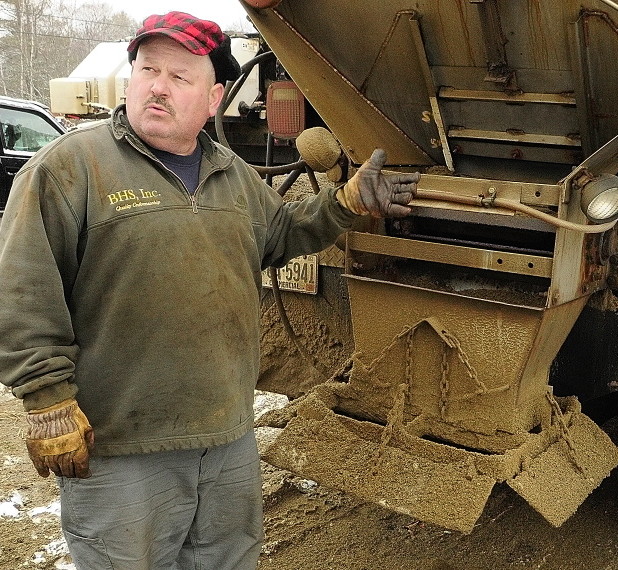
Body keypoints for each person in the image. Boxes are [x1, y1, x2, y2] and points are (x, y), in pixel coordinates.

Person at [0, 11, 418, 569]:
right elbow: (22, 287)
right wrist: (47, 398)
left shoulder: (231, 173)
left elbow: (280, 234)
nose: (157, 86)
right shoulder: (72, 167)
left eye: (180, 77)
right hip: (124, 447)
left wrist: (345, 205)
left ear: (215, 97)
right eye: (148, 69)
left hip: (225, 439)